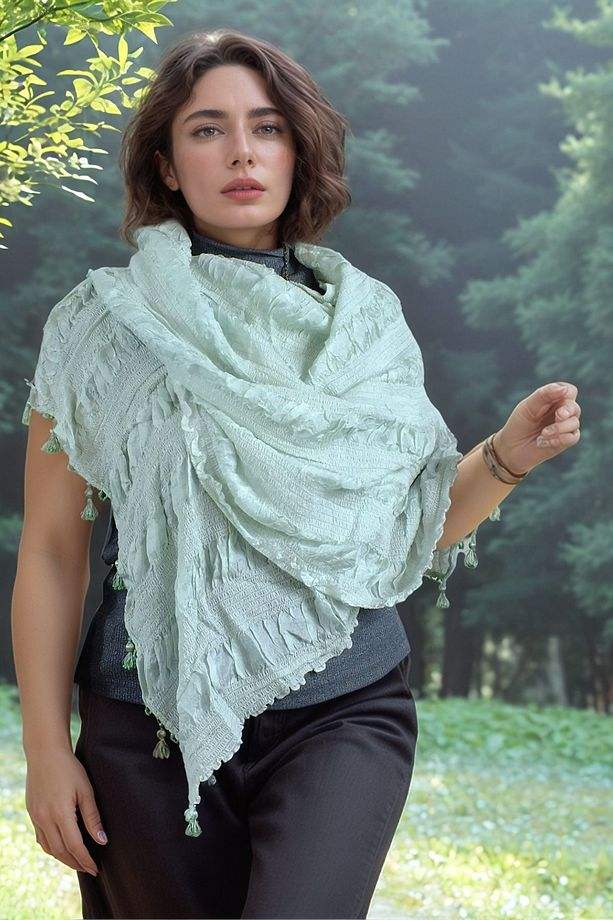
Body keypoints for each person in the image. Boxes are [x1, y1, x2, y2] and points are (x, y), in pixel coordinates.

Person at [12, 28, 581, 920]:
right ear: (166, 165)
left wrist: (508, 455)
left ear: (297, 150)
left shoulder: (364, 326)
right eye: (207, 129)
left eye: (267, 127)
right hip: (145, 729)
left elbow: (401, 532)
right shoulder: (100, 327)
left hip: (342, 708)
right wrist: (47, 750)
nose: (241, 151)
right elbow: (52, 552)